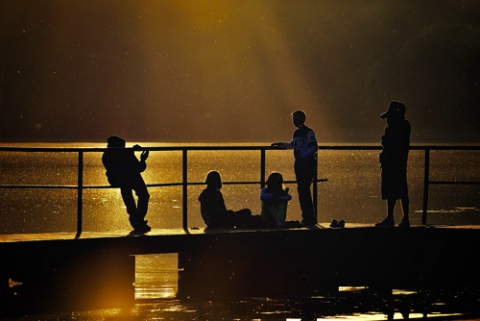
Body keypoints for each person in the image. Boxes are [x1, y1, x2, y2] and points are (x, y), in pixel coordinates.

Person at [271, 110, 319, 226]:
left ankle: (310, 217)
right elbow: (292, 145)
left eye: (296, 119)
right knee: (301, 190)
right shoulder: (296, 133)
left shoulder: (309, 132)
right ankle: (306, 217)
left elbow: (314, 147)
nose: (294, 121)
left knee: (304, 190)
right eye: (293, 119)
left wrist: (303, 157)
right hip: (299, 164)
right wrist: (281, 144)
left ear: (302, 119)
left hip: (307, 164)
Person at [102, 135, 151, 232]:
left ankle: (136, 219)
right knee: (142, 195)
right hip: (128, 178)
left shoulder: (108, 154)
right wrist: (142, 159)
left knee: (133, 195)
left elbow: (137, 168)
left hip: (123, 178)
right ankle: (137, 219)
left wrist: (136, 156)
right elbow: (139, 168)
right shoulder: (125, 153)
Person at [376, 101, 411, 228]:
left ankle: (405, 218)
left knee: (401, 190)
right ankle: (390, 217)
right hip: (389, 164)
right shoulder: (390, 128)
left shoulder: (404, 126)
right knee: (390, 190)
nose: (388, 120)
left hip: (398, 163)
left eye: (390, 116)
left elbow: (397, 144)